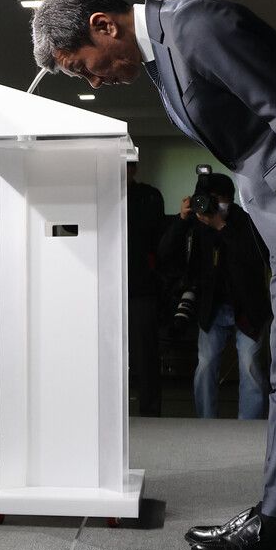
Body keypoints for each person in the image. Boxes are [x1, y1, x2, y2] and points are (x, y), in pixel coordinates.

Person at [31, 0, 276, 550]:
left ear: (104, 26)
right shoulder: (165, 54)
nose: (94, 81)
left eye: (85, 67)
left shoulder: (197, 25)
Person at [159, 169, 270, 419]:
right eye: (203, 198)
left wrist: (221, 227)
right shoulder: (195, 224)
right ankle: (206, 422)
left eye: (215, 199)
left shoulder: (247, 221)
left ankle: (248, 427)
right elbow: (165, 253)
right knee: (206, 366)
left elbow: (257, 259)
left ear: (229, 199)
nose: (208, 205)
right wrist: (181, 219)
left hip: (248, 308)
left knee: (251, 368)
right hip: (212, 306)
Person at [127, 159, 166, 416]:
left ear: (133, 169)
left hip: (142, 285)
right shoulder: (99, 194)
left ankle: (150, 410)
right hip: (106, 286)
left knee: (146, 352)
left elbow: (155, 236)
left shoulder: (149, 196)